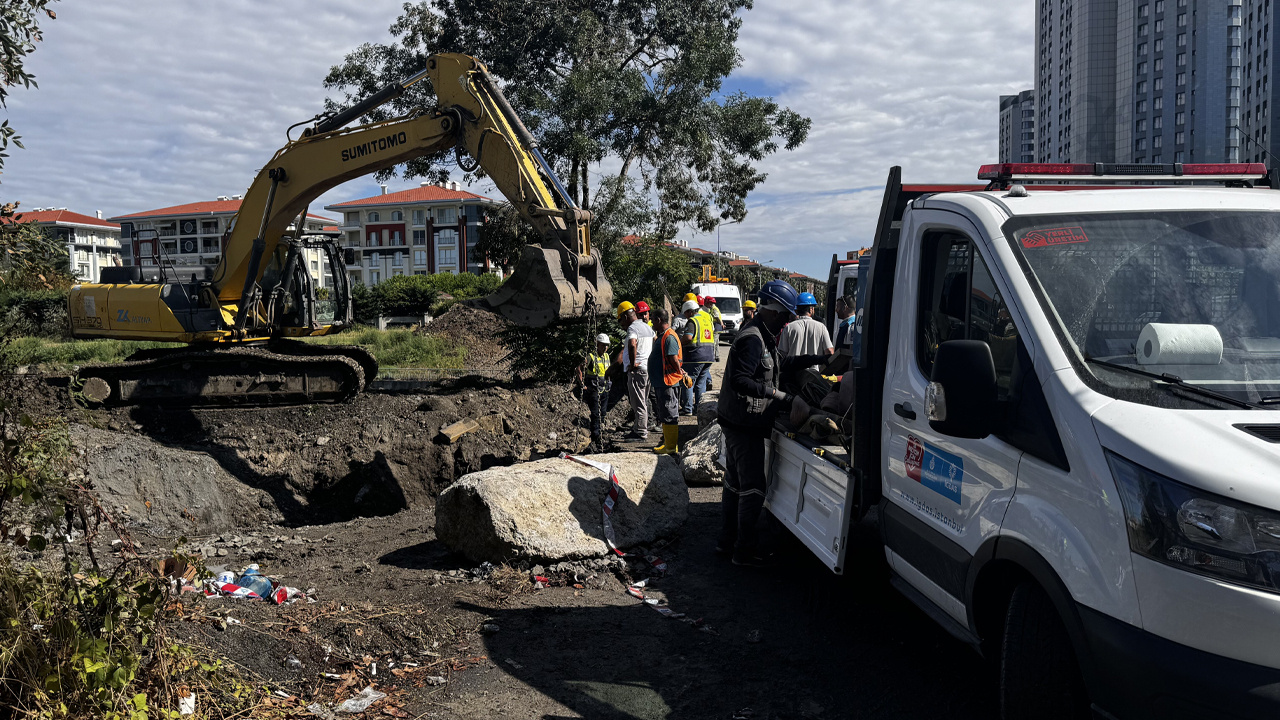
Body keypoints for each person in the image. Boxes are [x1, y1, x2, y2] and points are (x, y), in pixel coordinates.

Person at [717, 280, 825, 566]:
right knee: (753, 487)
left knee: (735, 484)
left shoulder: (763, 335)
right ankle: (743, 551)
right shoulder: (753, 338)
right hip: (744, 424)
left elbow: (781, 363)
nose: (788, 322)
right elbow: (741, 380)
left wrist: (820, 358)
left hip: (739, 421)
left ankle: (726, 542)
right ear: (775, 313)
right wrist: (786, 398)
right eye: (787, 316)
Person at [648, 308, 684, 454]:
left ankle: (671, 446)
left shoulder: (669, 337)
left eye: (652, 319)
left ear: (658, 320)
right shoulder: (663, 336)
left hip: (668, 381)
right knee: (665, 412)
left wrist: (680, 371)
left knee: (669, 413)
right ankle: (668, 444)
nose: (651, 323)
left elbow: (673, 357)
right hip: (662, 381)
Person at [618, 301, 655, 440]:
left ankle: (640, 432)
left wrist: (632, 364)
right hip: (647, 369)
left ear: (625, 316)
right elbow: (655, 340)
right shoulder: (646, 327)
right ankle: (639, 428)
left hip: (638, 370)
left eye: (621, 320)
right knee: (643, 401)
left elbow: (632, 344)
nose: (621, 324)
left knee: (638, 402)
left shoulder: (633, 328)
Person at [777, 291, 834, 370]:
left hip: (792, 375)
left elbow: (782, 355)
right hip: (814, 376)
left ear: (796, 310)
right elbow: (830, 351)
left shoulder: (789, 328)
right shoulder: (821, 327)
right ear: (811, 309)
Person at [679, 299, 715, 415]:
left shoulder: (692, 321)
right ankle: (699, 409)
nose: (685, 316)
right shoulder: (706, 318)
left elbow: (688, 338)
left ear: (690, 312)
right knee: (701, 383)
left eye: (686, 314)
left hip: (695, 356)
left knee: (688, 382)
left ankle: (687, 409)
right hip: (709, 355)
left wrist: (678, 342)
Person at [577, 333, 612, 448]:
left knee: (602, 413)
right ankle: (595, 436)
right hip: (594, 390)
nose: (605, 348)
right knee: (595, 413)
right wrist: (582, 384)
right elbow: (579, 368)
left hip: (605, 389)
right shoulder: (591, 357)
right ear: (598, 344)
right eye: (603, 345)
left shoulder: (607, 357)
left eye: (607, 345)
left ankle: (600, 433)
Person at [705, 296, 723, 361]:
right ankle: (717, 356)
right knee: (717, 342)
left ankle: (712, 356)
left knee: (714, 342)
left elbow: (717, 317)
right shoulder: (713, 308)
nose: (709, 305)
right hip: (717, 326)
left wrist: (721, 324)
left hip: (716, 326)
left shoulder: (714, 309)